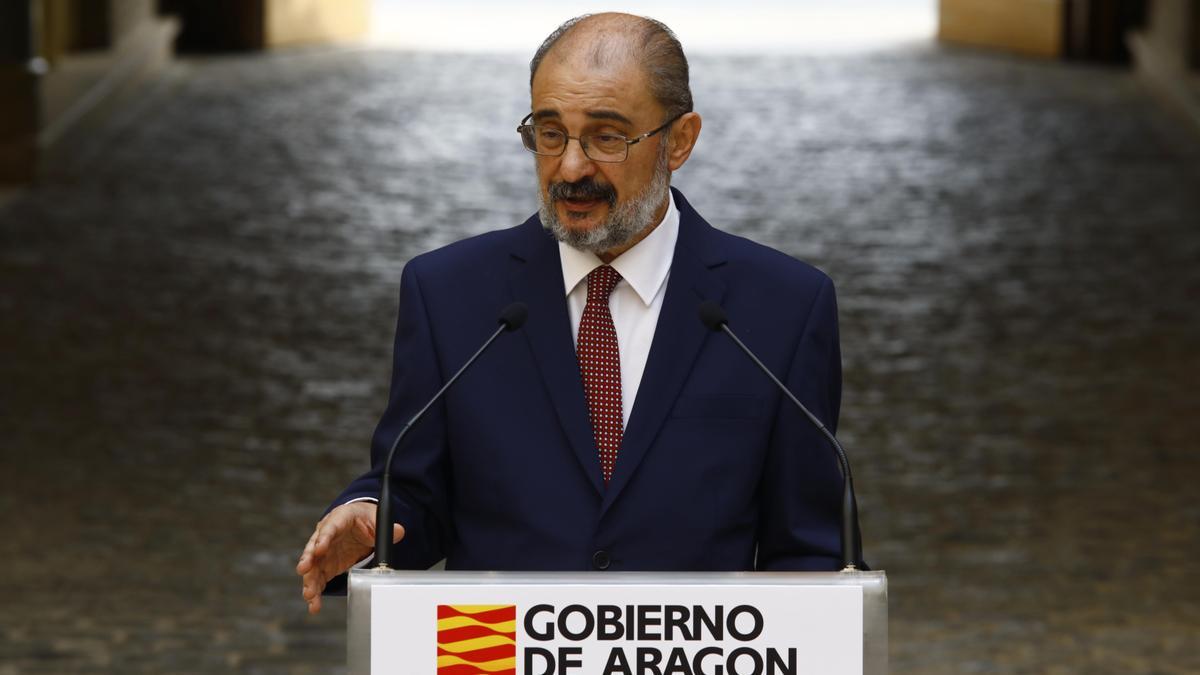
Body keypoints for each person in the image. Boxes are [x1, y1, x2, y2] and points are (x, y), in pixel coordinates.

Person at [297, 12, 861, 615]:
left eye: (606, 136)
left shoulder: (781, 307)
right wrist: (373, 517)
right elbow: (413, 491)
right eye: (549, 133)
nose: (570, 167)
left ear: (679, 140)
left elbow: (806, 552)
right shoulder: (449, 294)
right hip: (499, 651)